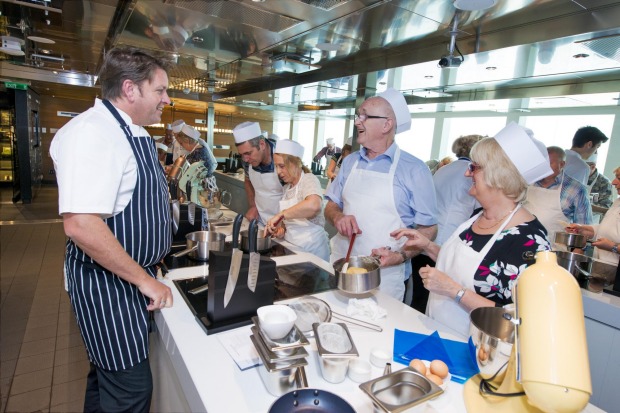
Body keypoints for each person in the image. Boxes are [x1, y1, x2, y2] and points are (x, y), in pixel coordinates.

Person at [50, 47, 173, 412]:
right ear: (130, 89)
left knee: (106, 381)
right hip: (108, 286)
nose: (167, 99)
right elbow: (81, 224)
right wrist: (144, 279)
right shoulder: (93, 133)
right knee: (131, 393)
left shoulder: (130, 132)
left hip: (127, 280)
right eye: (161, 90)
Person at [391, 122, 552, 337]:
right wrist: (427, 246)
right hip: (438, 333)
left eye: (474, 167)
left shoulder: (530, 240)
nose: (467, 173)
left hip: (478, 350)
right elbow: (467, 266)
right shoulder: (478, 215)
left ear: (499, 176)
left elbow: (518, 321)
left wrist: (454, 291)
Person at [325, 88, 438, 301]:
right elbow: (330, 205)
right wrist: (338, 217)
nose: (358, 122)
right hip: (342, 263)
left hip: (385, 276)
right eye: (358, 115)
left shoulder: (414, 169)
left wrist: (400, 255)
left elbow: (428, 228)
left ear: (387, 125)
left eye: (365, 116)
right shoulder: (349, 162)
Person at [265, 139, 330, 295]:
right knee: (289, 295)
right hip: (293, 251)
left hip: (312, 254)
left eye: (282, 166)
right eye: (276, 166)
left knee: (307, 297)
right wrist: (281, 230)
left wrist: (281, 214)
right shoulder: (287, 188)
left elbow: (313, 205)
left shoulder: (309, 179)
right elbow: (290, 223)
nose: (278, 171)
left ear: (295, 163)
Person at [525, 146, 592, 249]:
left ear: (562, 164)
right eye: (542, 163)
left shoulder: (576, 189)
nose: (544, 167)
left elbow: (583, 229)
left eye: (549, 163)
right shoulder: (528, 182)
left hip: (553, 252)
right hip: (522, 245)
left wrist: (579, 250)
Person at [567, 166, 620, 265]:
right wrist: (585, 229)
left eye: (619, 178)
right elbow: (610, 228)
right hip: (602, 265)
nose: (613, 182)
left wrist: (613, 247)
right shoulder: (618, 202)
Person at [234, 121, 283, 225]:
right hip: (260, 221)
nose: (245, 159)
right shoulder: (246, 160)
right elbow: (248, 181)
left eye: (248, 153)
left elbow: (295, 196)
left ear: (262, 144)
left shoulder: (282, 160)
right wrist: (253, 206)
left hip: (283, 224)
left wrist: (283, 225)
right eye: (241, 154)